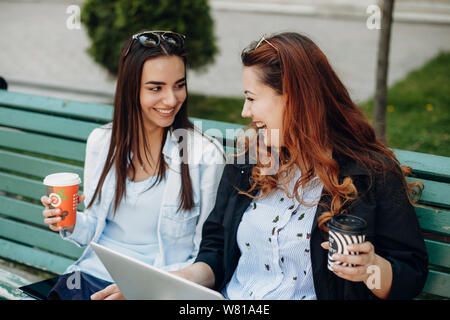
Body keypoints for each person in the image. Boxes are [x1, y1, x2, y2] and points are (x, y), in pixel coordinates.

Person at [171, 32, 429, 300]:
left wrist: (372, 268)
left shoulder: (371, 173)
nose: (245, 112)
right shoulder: (248, 162)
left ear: (293, 99)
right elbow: (216, 246)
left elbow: (410, 274)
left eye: (251, 98)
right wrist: (180, 279)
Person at [40, 30, 225, 300]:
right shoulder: (102, 143)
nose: (172, 99)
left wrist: (146, 291)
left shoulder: (203, 156)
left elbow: (205, 252)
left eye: (179, 85)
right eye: (156, 88)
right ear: (131, 88)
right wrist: (65, 222)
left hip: (154, 288)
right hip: (89, 277)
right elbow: (94, 228)